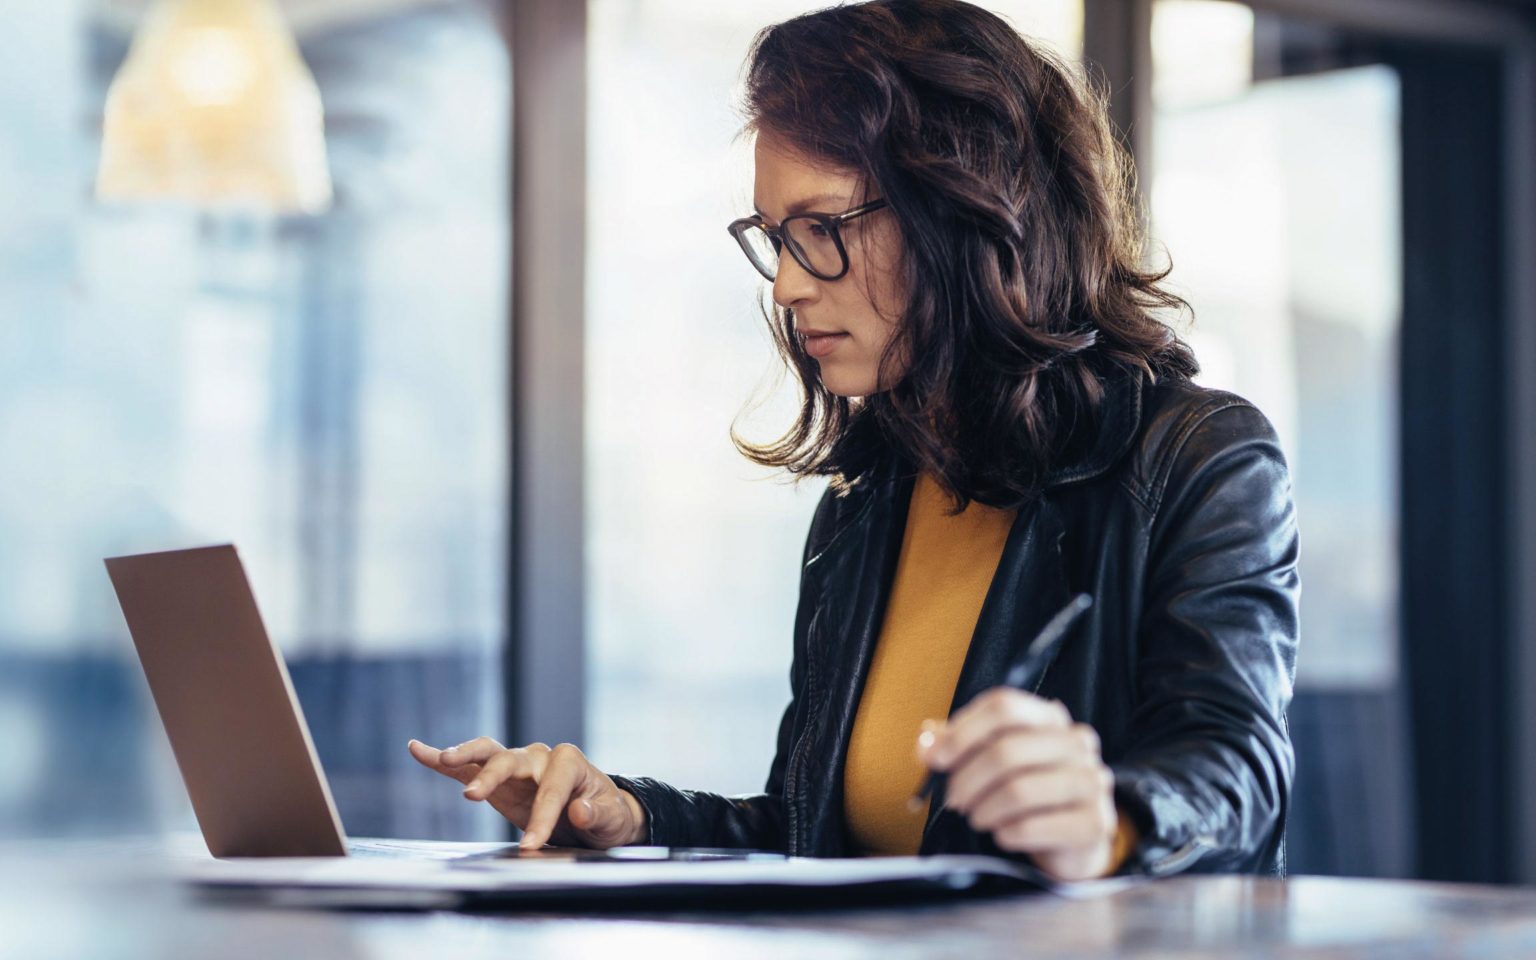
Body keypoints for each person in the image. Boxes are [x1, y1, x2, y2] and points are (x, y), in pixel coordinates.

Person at [408, 0, 1296, 881]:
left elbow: (1238, 776)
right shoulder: (870, 496)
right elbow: (817, 835)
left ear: (964, 211)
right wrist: (629, 814)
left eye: (823, 230)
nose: (788, 284)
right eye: (776, 238)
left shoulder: (1200, 458)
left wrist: (1105, 824)